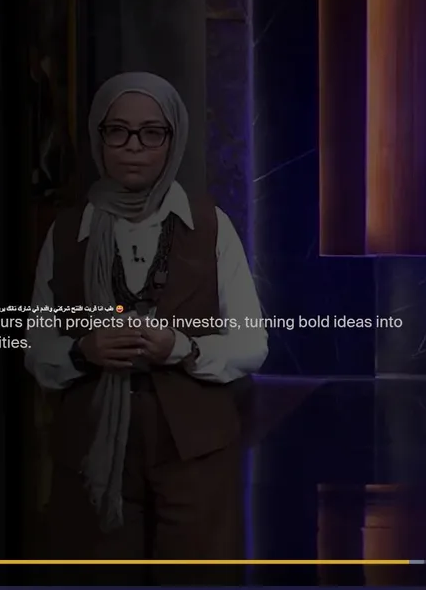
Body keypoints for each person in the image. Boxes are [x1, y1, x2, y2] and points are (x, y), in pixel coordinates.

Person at [23, 72, 268, 584]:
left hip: (195, 449)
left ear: (173, 140)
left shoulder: (210, 225)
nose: (133, 146)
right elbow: (37, 348)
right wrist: (83, 350)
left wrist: (181, 347)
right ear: (98, 137)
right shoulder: (67, 232)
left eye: (151, 133)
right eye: (118, 131)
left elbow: (251, 344)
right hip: (93, 449)